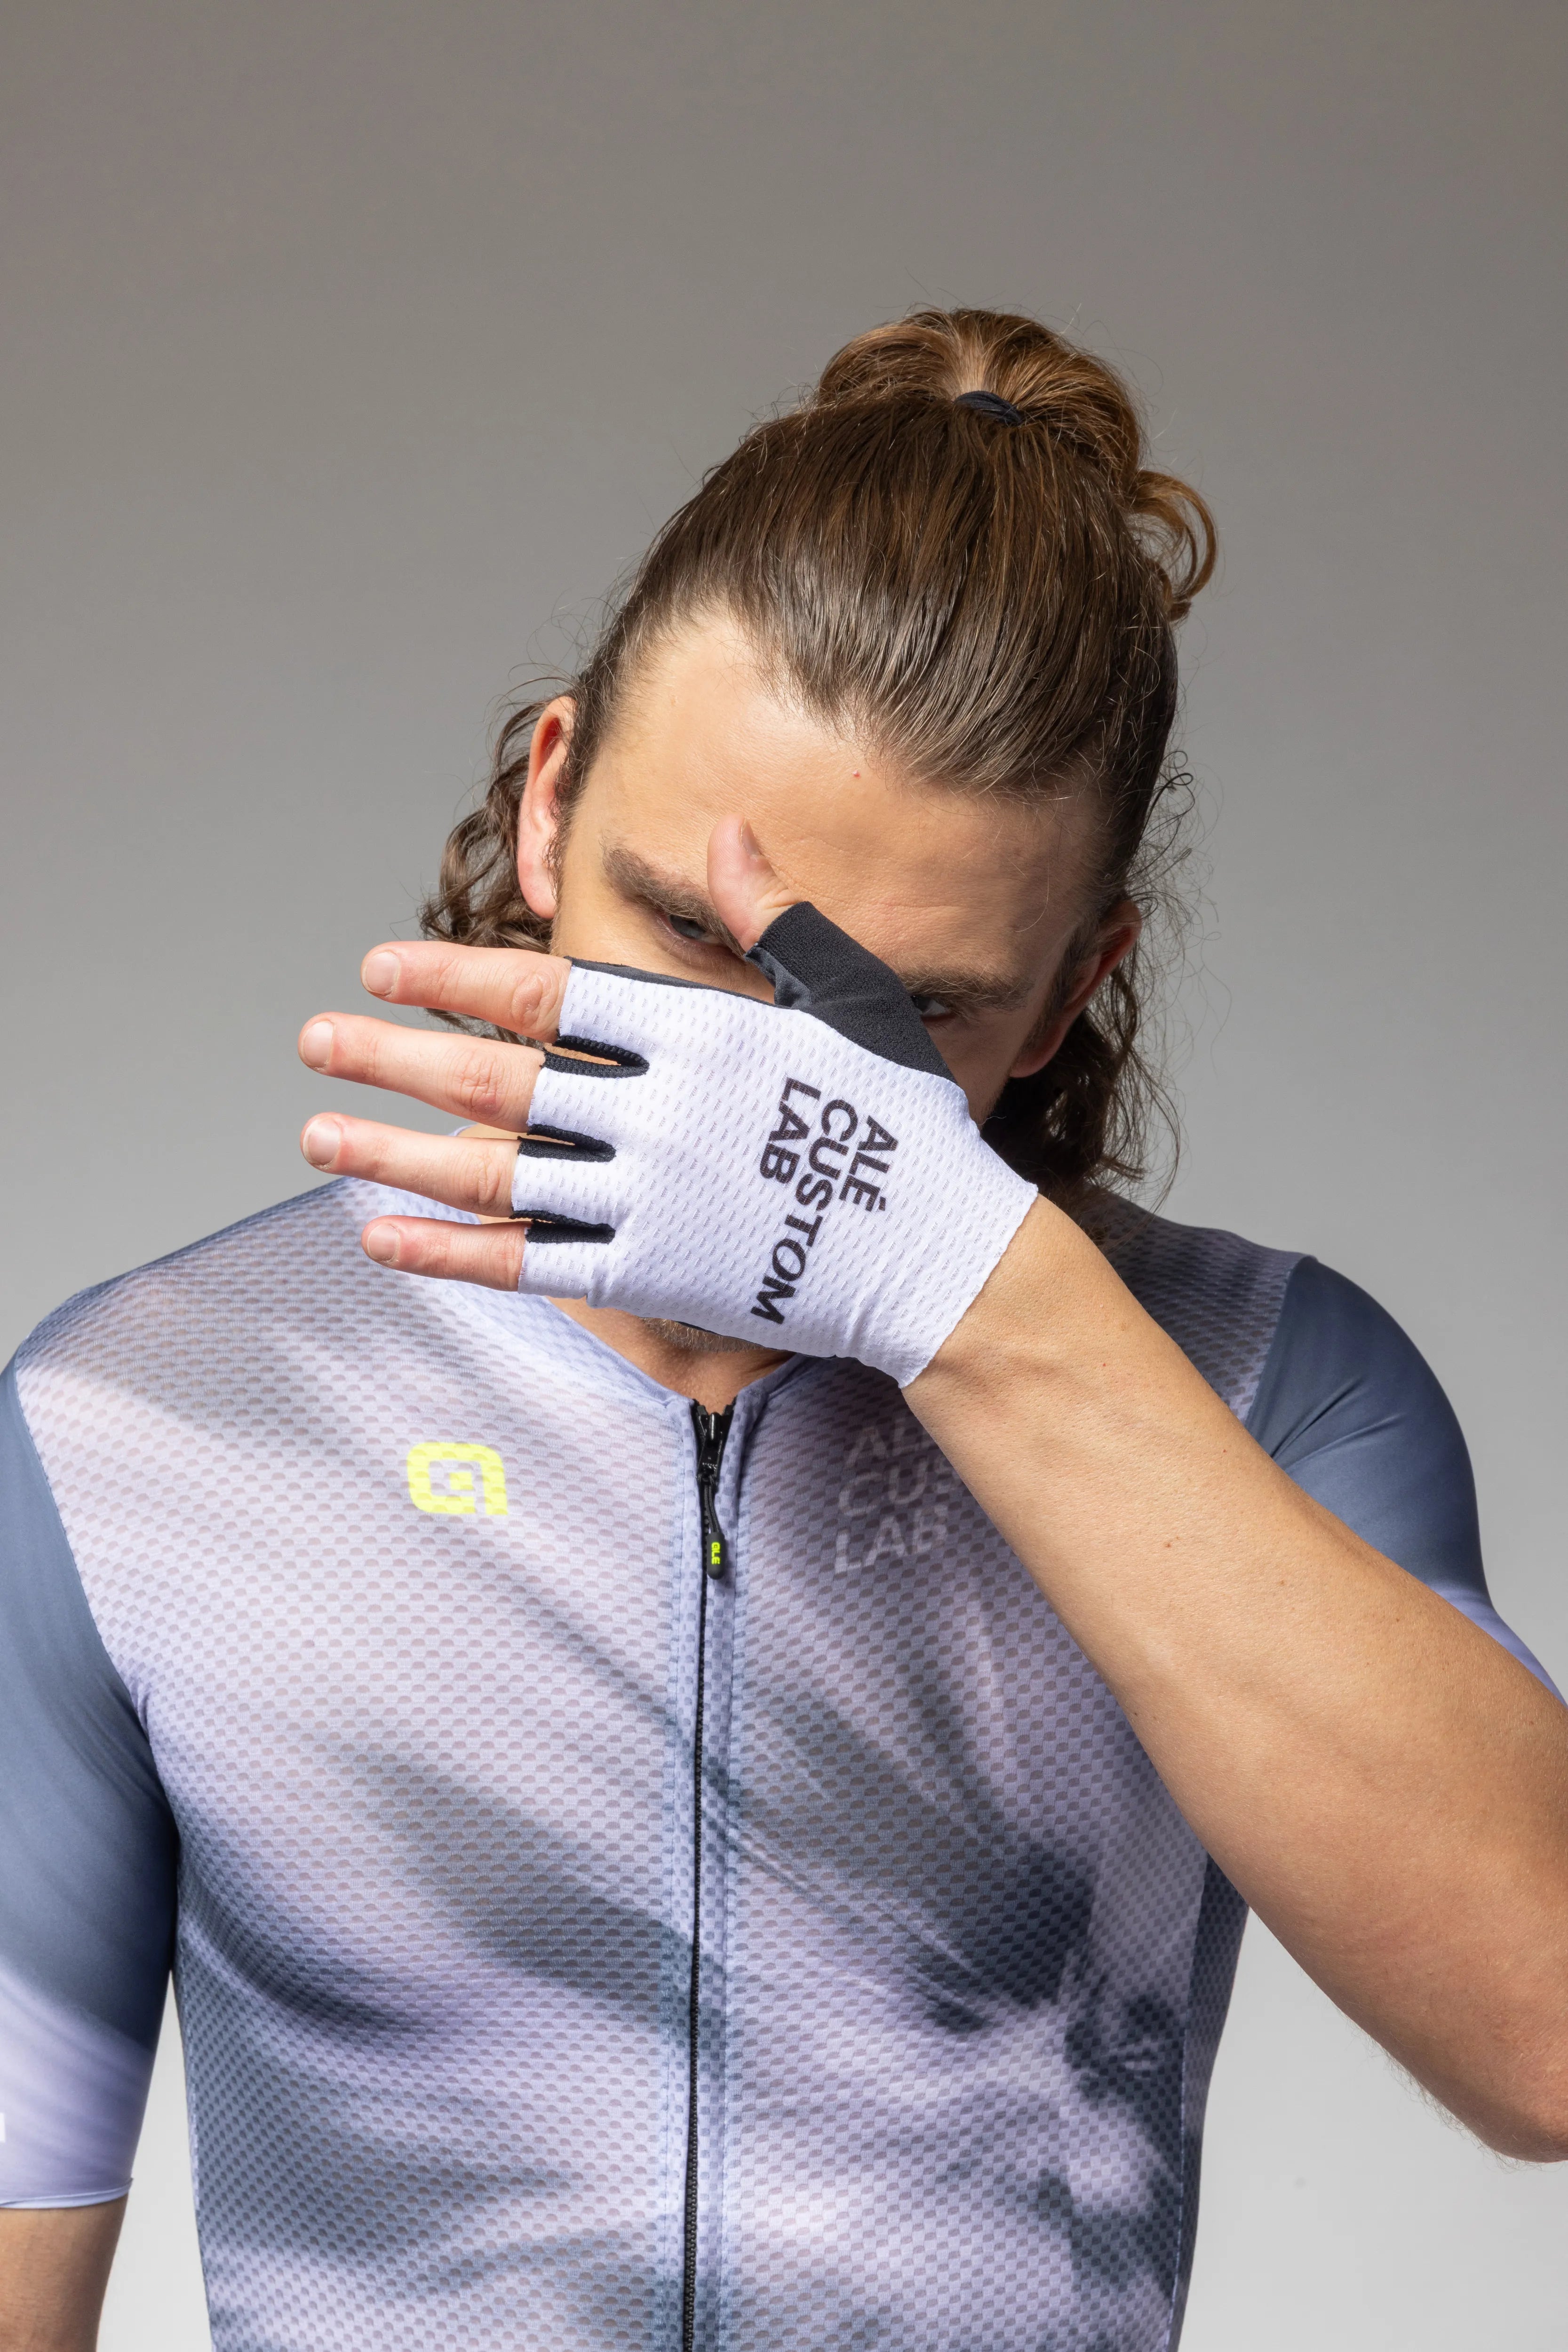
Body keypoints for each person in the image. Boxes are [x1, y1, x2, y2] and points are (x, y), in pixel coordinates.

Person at [2, 308, 1564, 2352]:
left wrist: (964, 1291)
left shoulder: (1270, 1389)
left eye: (906, 1013)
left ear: (1076, 984)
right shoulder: (141, 1435)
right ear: (550, 799)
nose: (753, 1088)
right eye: (686, 929)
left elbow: (1548, 2033)